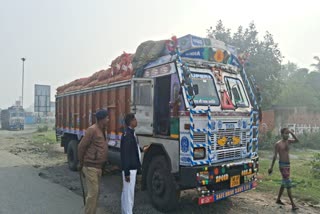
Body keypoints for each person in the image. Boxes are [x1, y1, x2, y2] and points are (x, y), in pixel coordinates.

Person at [78, 109, 109, 214]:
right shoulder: (92, 130)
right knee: (93, 194)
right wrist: (81, 163)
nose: (108, 120)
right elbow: (81, 147)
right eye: (107, 118)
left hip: (98, 167)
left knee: (95, 194)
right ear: (102, 119)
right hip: (90, 166)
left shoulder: (101, 130)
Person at [120, 113, 148, 214]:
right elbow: (126, 155)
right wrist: (127, 172)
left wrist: (142, 149)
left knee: (126, 192)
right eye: (135, 119)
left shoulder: (131, 133)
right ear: (131, 121)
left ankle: (124, 211)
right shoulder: (128, 135)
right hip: (130, 169)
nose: (136, 121)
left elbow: (133, 149)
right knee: (129, 195)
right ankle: (128, 212)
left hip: (132, 168)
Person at [268, 128, 299, 211]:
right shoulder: (278, 144)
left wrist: (291, 132)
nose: (287, 135)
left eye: (287, 134)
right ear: (281, 134)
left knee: (284, 182)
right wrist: (271, 167)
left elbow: (297, 140)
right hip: (282, 165)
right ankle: (293, 204)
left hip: (288, 165)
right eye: (285, 133)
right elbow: (275, 156)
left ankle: (278, 199)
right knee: (288, 184)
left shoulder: (288, 141)